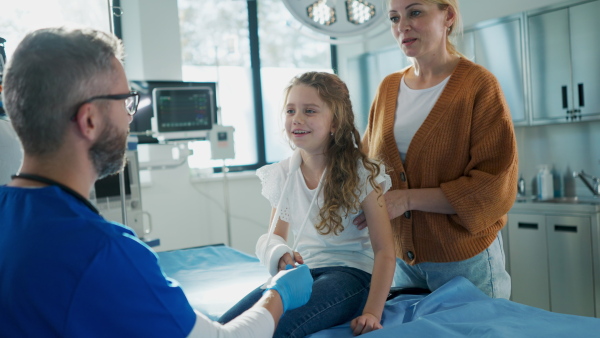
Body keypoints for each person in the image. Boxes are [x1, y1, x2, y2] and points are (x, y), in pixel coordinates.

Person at [0, 27, 313, 337]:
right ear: (90, 120)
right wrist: (278, 295)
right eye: (125, 102)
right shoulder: (102, 252)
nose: (130, 118)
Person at [353, 0, 518, 299]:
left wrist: (405, 200)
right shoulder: (387, 88)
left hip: (465, 264)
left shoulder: (478, 86)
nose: (402, 26)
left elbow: (493, 188)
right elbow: (366, 167)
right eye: (394, 18)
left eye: (415, 12)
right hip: (399, 263)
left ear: (448, 16)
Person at [218, 72, 396, 337]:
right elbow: (274, 237)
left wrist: (372, 311)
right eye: (290, 111)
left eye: (309, 111)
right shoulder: (283, 174)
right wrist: (281, 254)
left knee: (276, 329)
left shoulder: (362, 173)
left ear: (335, 121)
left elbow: (385, 251)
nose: (297, 119)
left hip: (351, 275)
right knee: (226, 326)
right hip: (302, 274)